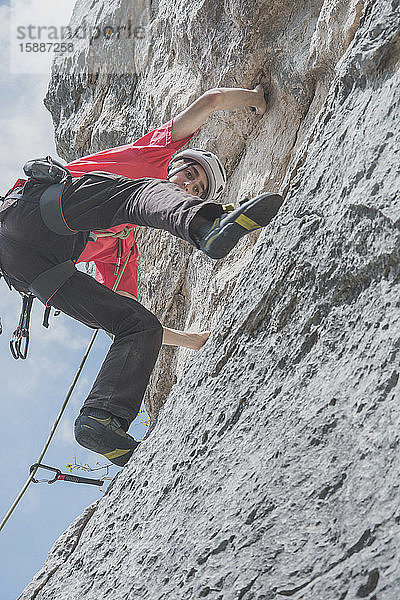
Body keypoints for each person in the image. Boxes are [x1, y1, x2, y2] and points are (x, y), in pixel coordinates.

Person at [0, 85, 283, 467]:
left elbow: (132, 317)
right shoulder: (151, 159)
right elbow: (212, 101)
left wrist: (191, 341)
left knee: (138, 325)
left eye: (197, 190)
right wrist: (256, 97)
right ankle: (208, 223)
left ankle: (101, 420)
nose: (187, 186)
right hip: (33, 214)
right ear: (177, 163)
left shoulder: (121, 252)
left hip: (28, 268)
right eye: (189, 176)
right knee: (140, 193)